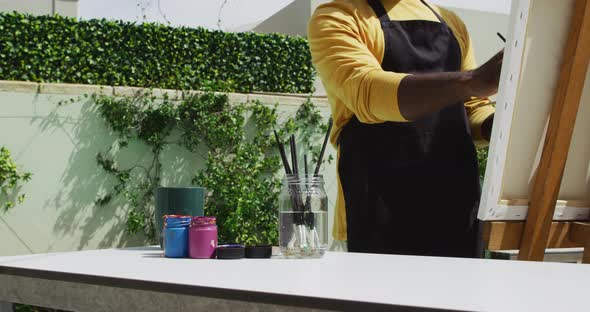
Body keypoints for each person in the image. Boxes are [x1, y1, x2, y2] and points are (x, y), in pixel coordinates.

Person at [307, 0, 503, 258]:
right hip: (377, 214)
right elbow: (367, 91)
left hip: (457, 213)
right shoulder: (338, 16)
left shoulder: (451, 23)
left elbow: (472, 109)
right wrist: (471, 81)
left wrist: (502, 125)